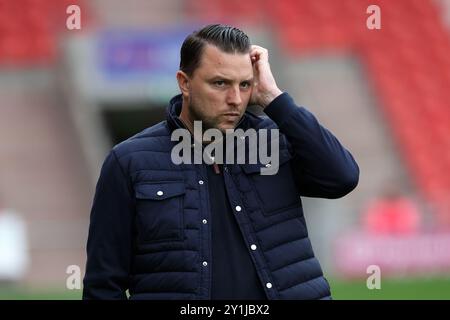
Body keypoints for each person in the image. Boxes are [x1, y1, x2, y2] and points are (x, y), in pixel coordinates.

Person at [83, 24, 359, 300]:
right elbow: (104, 284)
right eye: (220, 83)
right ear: (184, 82)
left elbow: (341, 177)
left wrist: (275, 99)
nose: (236, 100)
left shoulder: (275, 140)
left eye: (245, 84)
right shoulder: (129, 161)